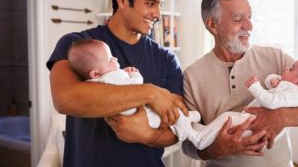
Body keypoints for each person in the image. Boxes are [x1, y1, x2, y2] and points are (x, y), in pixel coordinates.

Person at [47, 0, 193, 167]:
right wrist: (150, 93)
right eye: (150, 4)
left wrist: (148, 135)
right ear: (122, 0)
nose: (158, 14)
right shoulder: (76, 45)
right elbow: (65, 99)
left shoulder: (167, 59)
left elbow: (177, 128)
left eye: (159, 5)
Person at [182, 0, 298, 167]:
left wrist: (283, 117)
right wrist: (216, 149)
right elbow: (187, 144)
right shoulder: (192, 75)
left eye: (249, 17)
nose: (249, 26)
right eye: (238, 19)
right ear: (213, 25)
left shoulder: (277, 59)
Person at [67, 38, 202, 141]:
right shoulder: (114, 75)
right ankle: (189, 127)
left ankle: (188, 123)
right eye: (110, 60)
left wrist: (148, 135)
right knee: (165, 116)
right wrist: (134, 74)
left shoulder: (93, 82)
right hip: (141, 115)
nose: (115, 59)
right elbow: (136, 84)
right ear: (122, 0)